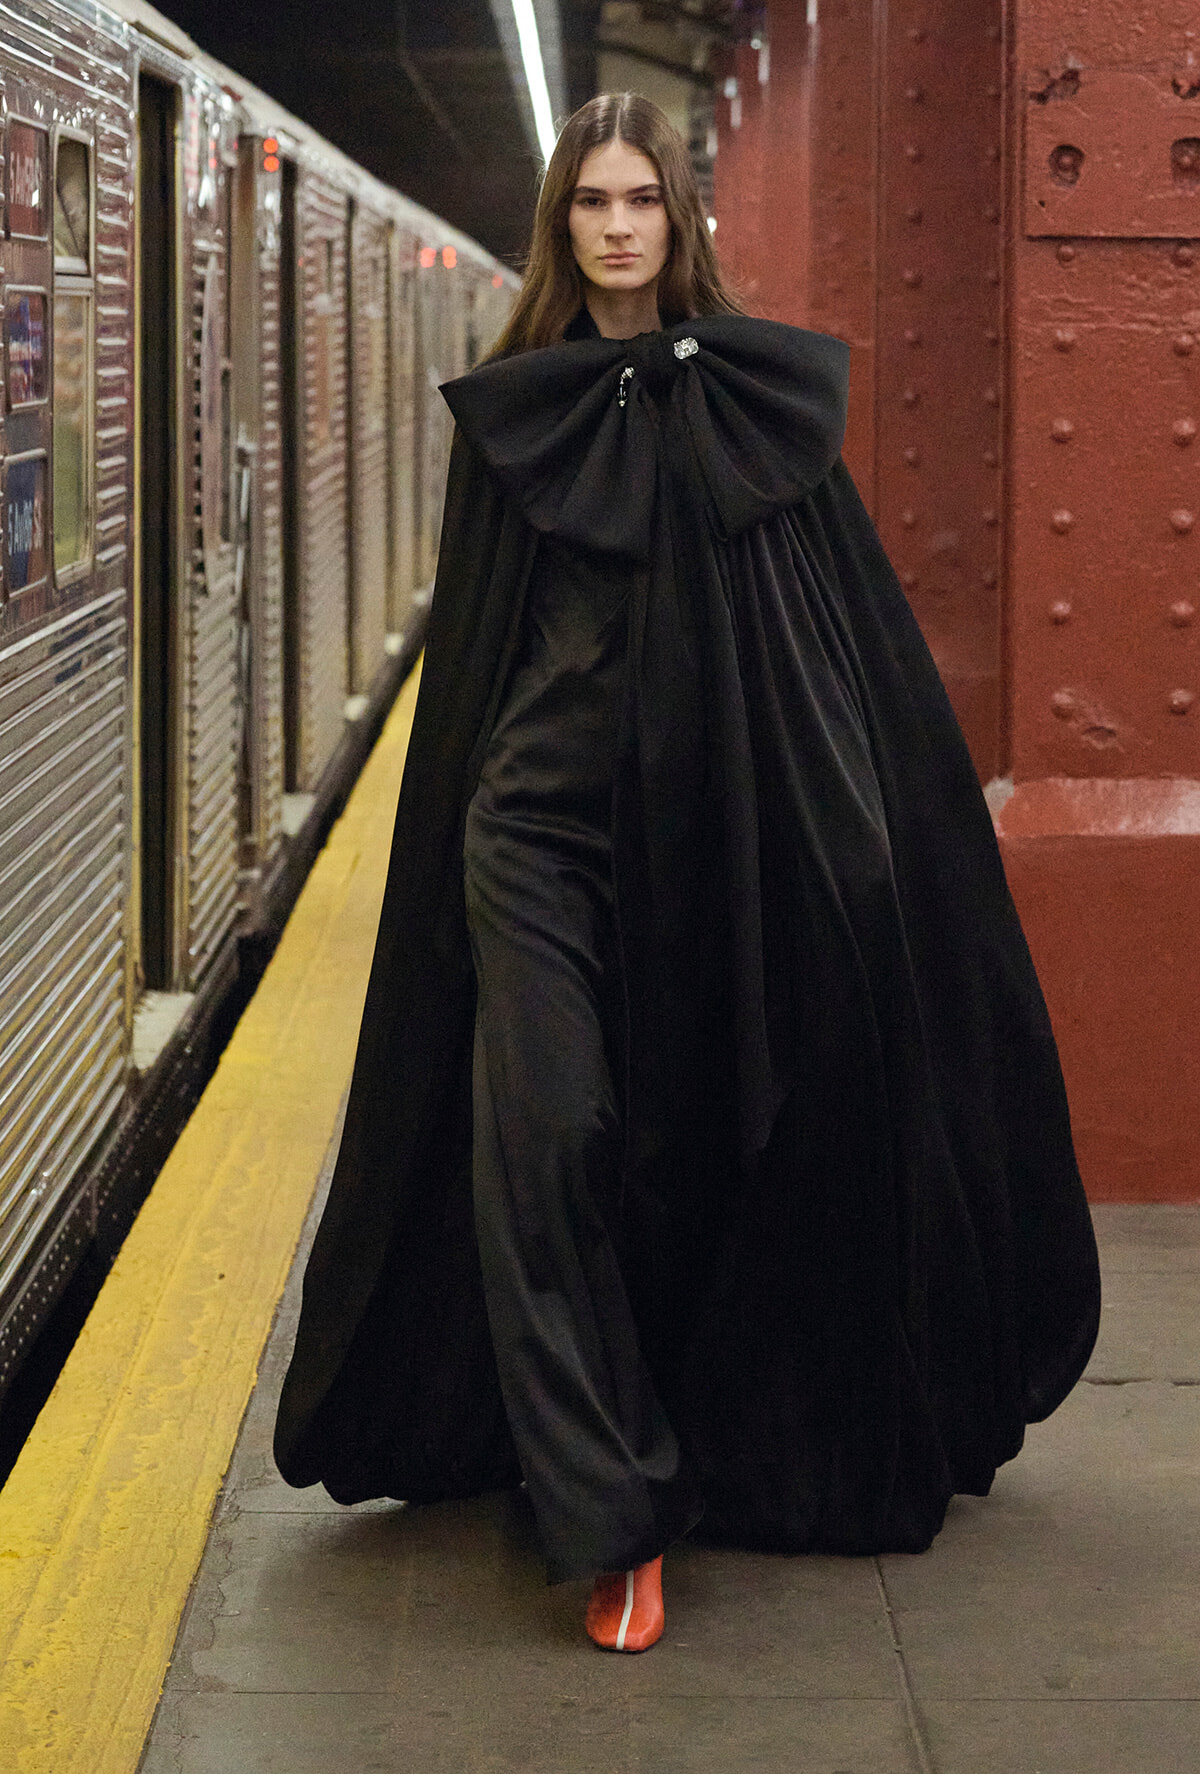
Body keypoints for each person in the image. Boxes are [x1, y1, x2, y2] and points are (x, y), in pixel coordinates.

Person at [274, 92, 1101, 1654]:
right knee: (551, 1130)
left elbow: (832, 638)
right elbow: (470, 673)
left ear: (680, 218)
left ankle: (699, 1429)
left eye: (642, 197)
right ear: (561, 223)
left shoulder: (758, 402)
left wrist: (863, 839)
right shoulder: (519, 407)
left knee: (719, 1125)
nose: (617, 226)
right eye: (590, 200)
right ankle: (610, 1510)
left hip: (704, 825)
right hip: (532, 835)